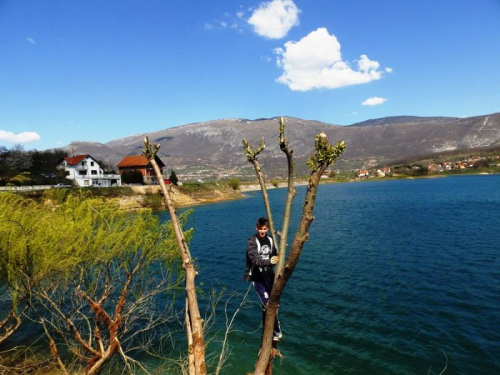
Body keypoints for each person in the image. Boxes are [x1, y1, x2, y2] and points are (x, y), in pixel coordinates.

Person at [243, 217, 282, 341]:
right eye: (260, 229)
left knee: (274, 304)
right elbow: (255, 259)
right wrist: (269, 261)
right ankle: (276, 331)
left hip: (270, 277)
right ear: (256, 228)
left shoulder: (271, 240)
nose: (262, 231)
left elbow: (275, 254)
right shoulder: (252, 242)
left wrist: (277, 259)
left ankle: (269, 327)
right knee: (268, 304)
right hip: (257, 278)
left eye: (265, 229)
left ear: (268, 229)